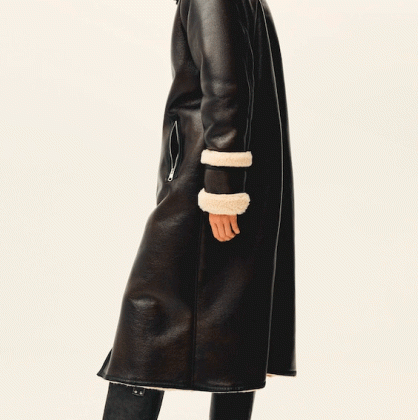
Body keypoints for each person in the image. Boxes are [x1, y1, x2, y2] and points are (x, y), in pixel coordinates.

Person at [98, 0, 296, 418]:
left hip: (204, 186)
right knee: (235, 326)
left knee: (148, 322)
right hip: (228, 180)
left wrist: (222, 188)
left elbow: (226, 88)